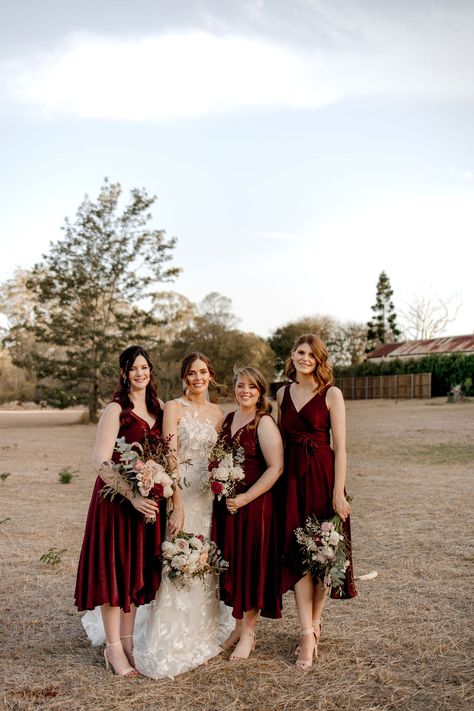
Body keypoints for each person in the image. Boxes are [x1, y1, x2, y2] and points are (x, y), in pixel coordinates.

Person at [133, 352, 234, 679]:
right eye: (191, 373)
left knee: (203, 559)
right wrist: (177, 501)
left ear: (211, 375)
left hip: (208, 498)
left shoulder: (219, 414)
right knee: (178, 555)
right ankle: (172, 634)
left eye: (203, 372)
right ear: (183, 377)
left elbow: (218, 457)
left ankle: (204, 628)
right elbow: (170, 455)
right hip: (183, 495)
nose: (197, 378)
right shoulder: (173, 408)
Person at [75, 345, 166, 678]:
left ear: (150, 370)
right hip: (116, 501)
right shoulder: (116, 410)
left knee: (133, 573)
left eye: (144, 367)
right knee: (114, 572)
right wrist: (132, 495)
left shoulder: (158, 407)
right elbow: (100, 460)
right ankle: (114, 649)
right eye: (133, 369)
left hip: (144, 504)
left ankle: (127, 644)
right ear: (124, 374)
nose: (140, 373)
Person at [277, 334, 357, 670]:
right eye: (300, 352)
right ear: (292, 356)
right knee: (296, 554)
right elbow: (277, 442)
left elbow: (340, 446)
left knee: (322, 554)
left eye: (311, 354)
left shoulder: (331, 394)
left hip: (323, 478)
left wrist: (338, 491)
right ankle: (307, 632)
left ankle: (316, 621)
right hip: (291, 481)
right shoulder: (281, 393)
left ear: (319, 359)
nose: (304, 357)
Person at [213, 367, 284, 660]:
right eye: (241, 385)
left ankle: (249, 634)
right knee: (234, 566)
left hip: (254, 506)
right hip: (228, 507)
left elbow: (276, 467)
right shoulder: (229, 419)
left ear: (260, 392)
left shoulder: (263, 423)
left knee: (251, 567)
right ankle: (238, 627)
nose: (245, 391)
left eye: (252, 387)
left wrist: (245, 498)